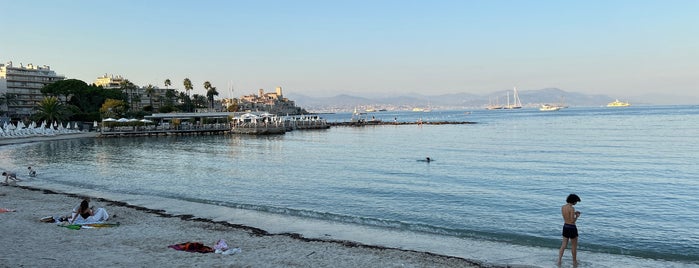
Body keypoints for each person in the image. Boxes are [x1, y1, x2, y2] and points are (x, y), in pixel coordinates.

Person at [558, 193, 582, 265]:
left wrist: (574, 213)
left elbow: (567, 216)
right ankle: (574, 261)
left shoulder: (563, 207)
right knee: (574, 246)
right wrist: (577, 216)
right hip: (572, 227)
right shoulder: (572, 208)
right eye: (576, 201)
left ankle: (559, 260)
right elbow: (572, 220)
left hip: (565, 226)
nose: (576, 203)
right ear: (574, 201)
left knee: (563, 245)